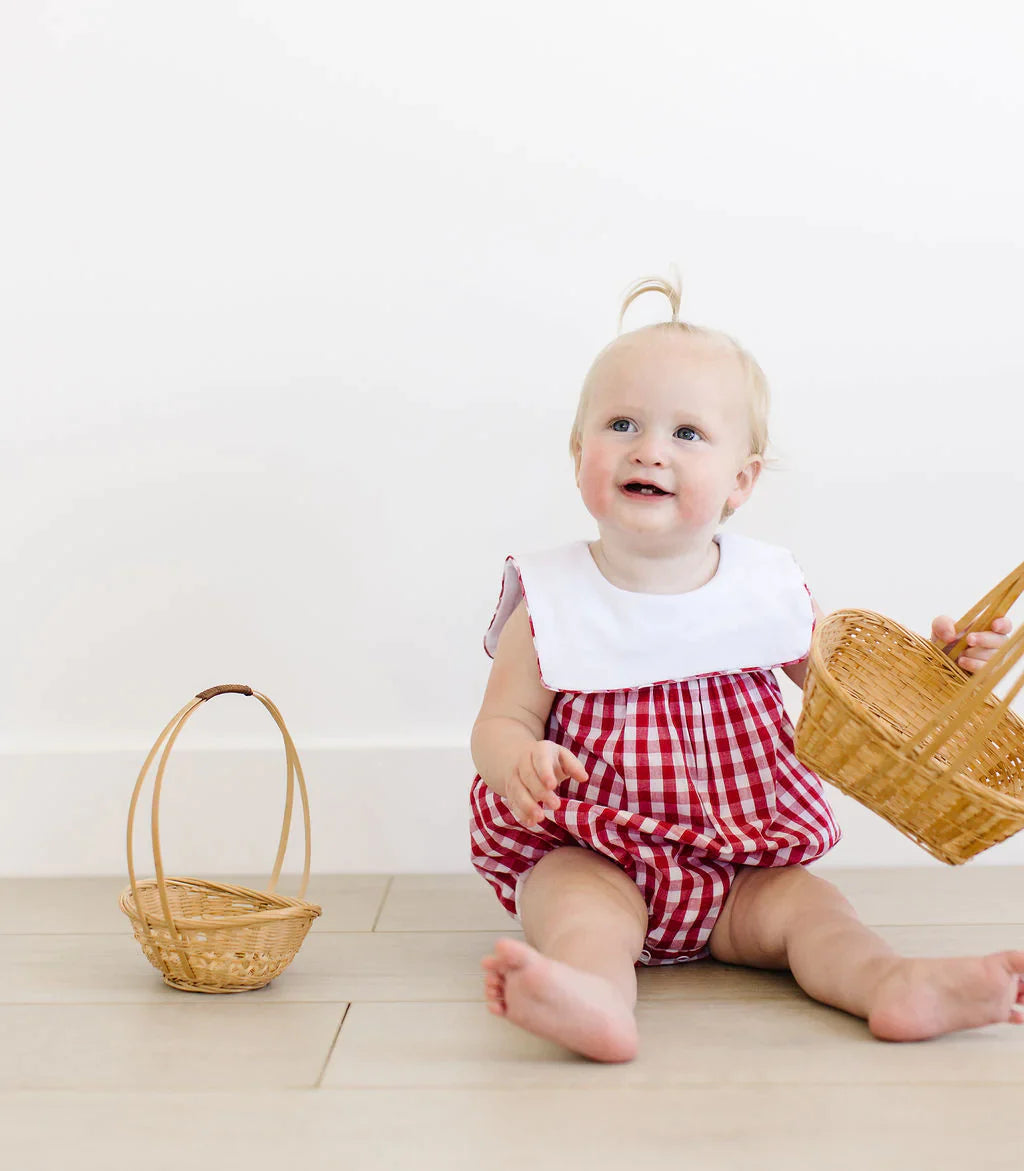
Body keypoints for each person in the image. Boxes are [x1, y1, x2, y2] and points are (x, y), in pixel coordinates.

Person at [468, 273, 1021, 1063]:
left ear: (741, 481)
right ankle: (594, 995)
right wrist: (518, 759)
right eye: (621, 423)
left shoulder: (770, 589)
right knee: (574, 909)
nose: (649, 449)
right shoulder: (552, 598)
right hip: (598, 849)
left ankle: (893, 983)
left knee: (816, 913)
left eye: (687, 434)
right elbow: (501, 720)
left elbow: (864, 697)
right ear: (578, 454)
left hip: (742, 865)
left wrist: (947, 673)